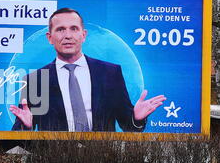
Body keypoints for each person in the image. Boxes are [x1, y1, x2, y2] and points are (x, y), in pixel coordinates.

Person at [10, 8, 166, 132]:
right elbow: (20, 132)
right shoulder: (36, 80)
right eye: (60, 29)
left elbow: (129, 127)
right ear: (49, 38)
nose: (68, 35)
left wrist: (136, 119)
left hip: (102, 161)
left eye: (74, 28)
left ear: (83, 35)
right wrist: (26, 127)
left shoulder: (111, 73)